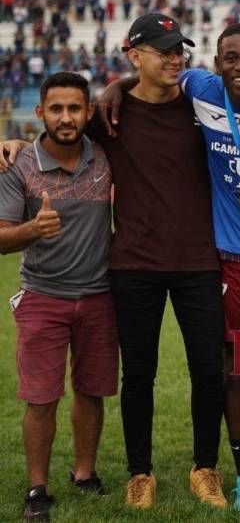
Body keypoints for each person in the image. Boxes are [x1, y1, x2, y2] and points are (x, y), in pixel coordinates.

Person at [95, 21, 240, 515]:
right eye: (231, 57)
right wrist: (113, 86)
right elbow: (144, 79)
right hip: (229, 262)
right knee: (225, 369)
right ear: (215, 65)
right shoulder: (198, 88)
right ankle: (230, 474)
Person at [96, 14, 227, 509]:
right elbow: (57, 133)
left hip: (199, 260)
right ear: (135, 56)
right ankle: (139, 473)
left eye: (180, 51)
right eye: (164, 50)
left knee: (208, 371)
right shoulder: (107, 114)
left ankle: (205, 468)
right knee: (139, 374)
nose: (176, 59)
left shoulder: (202, 108)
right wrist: (15, 145)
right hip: (133, 263)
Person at [0, 72, 118, 522]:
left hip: (100, 296)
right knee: (42, 398)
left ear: (88, 112)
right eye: (56, 109)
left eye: (74, 109)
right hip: (43, 296)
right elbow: (3, 239)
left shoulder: (106, 156)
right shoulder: (19, 166)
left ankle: (84, 474)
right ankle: (37, 487)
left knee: (91, 392)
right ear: (40, 113)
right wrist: (33, 229)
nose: (66, 118)